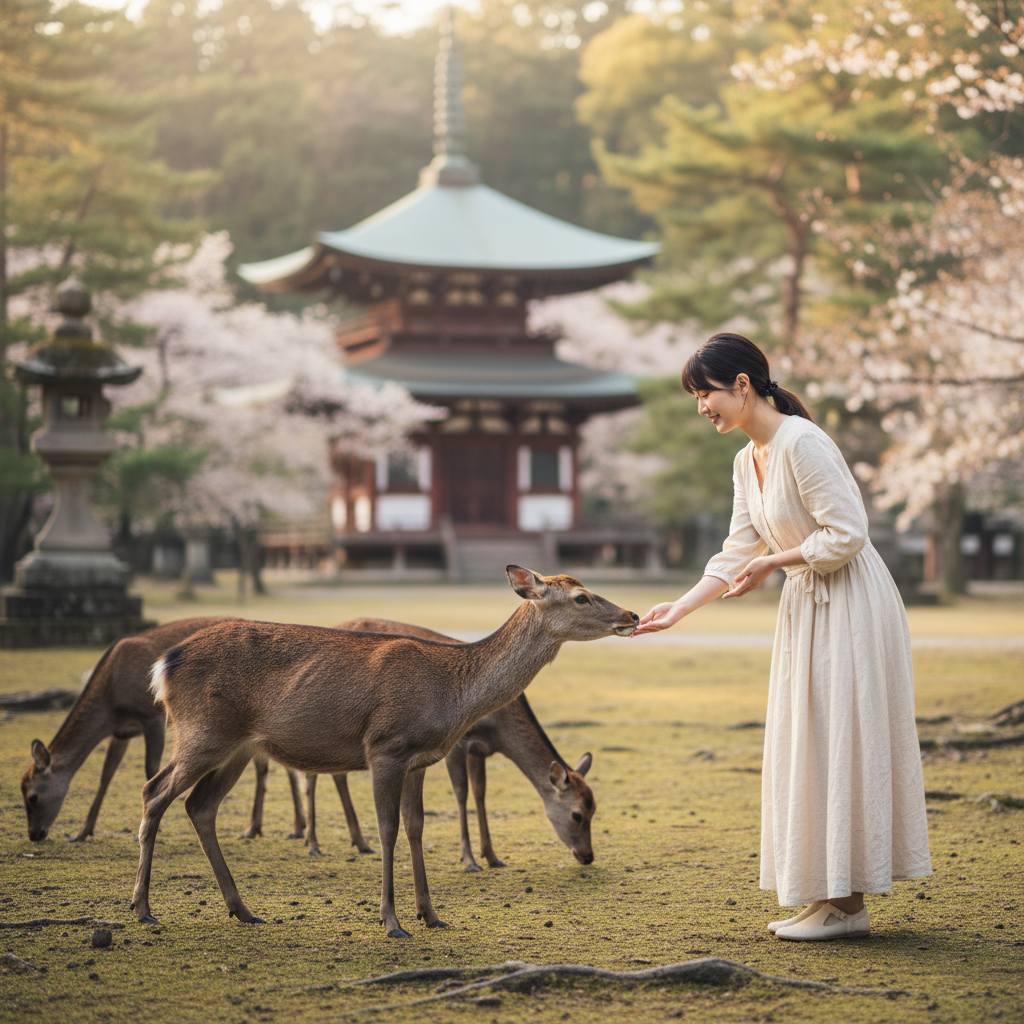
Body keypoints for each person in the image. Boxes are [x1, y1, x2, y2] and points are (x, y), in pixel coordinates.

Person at [634, 332, 932, 941]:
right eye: (696, 398)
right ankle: (828, 898)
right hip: (808, 607)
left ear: (743, 386)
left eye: (706, 393)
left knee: (841, 738)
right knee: (811, 742)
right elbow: (737, 549)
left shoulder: (802, 442)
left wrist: (778, 562)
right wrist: (681, 608)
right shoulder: (748, 458)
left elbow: (848, 532)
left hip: (850, 601)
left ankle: (848, 905)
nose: (702, 408)